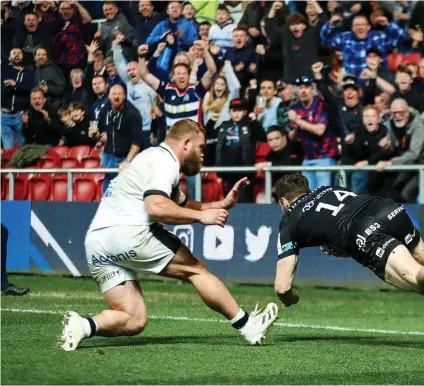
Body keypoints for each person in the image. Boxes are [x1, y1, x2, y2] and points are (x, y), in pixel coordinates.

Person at [60, 119, 278, 352]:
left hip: (97, 242)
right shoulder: (166, 162)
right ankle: (248, 325)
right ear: (186, 143)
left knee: (134, 319)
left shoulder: (150, 158)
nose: (203, 154)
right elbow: (156, 207)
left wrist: (221, 203)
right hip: (129, 232)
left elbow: (181, 203)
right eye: (201, 147)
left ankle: (83, 325)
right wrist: (200, 218)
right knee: (196, 270)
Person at [272, 173, 424, 349]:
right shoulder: (327, 188)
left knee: (422, 282)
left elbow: (282, 287)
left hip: (366, 231)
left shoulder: (289, 221)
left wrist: (290, 299)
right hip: (389, 210)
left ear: (283, 202)